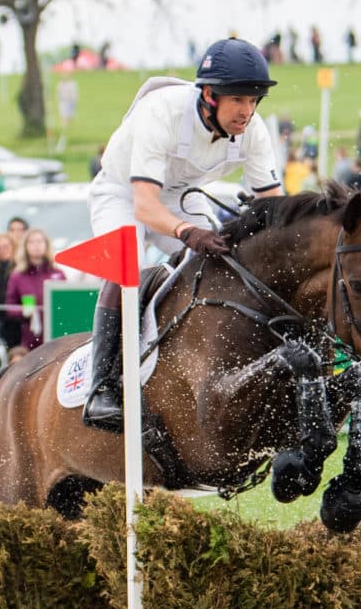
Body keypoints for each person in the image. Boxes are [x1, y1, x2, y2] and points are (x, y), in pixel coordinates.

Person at [82, 37, 283, 431]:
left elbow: (274, 205)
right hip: (123, 192)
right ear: (210, 95)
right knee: (127, 266)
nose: (248, 111)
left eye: (254, 100)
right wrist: (188, 232)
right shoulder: (163, 113)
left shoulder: (254, 130)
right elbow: (143, 205)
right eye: (238, 101)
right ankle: (102, 387)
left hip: (179, 196)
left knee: (222, 262)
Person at [3, 228, 66, 351]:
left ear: (46, 245)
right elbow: (9, 307)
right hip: (31, 339)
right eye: (31, 242)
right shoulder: (18, 276)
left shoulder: (58, 273)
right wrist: (25, 312)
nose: (36, 245)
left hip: (57, 337)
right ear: (25, 246)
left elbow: (66, 303)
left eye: (39, 241)